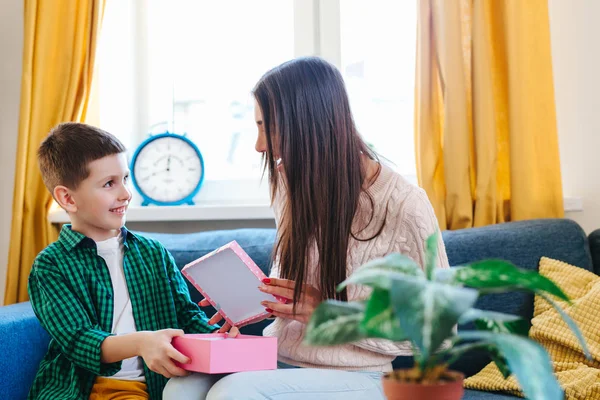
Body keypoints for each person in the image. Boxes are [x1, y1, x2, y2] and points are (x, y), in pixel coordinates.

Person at [163, 56, 449, 399]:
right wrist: (251, 304)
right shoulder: (289, 184)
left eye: (266, 126)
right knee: (182, 388)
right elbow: (294, 290)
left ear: (307, 124)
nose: (260, 146)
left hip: (361, 375)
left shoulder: (405, 204)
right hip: (279, 358)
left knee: (233, 393)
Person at [28, 122, 218, 400]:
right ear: (67, 198)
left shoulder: (153, 253)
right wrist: (142, 342)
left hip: (154, 387)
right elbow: (78, 339)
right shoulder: (51, 266)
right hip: (86, 388)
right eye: (109, 184)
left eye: (125, 179)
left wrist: (220, 338)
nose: (126, 194)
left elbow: (187, 317)